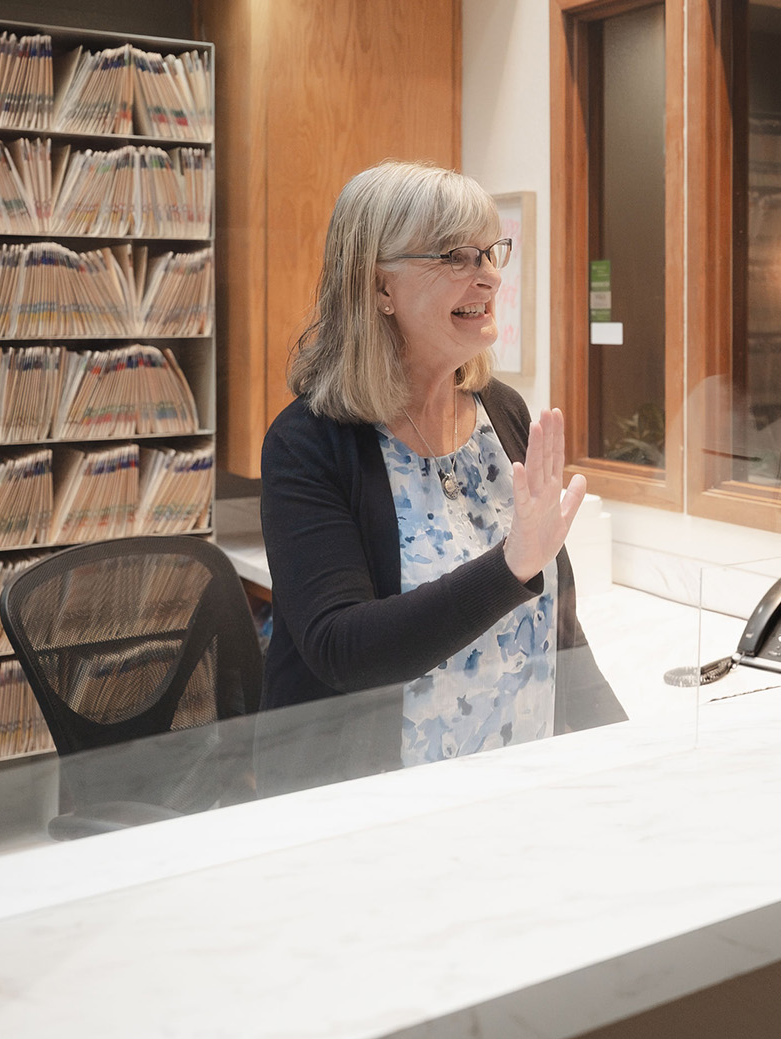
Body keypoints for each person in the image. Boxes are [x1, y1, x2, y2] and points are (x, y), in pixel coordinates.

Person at [260, 161, 624, 761]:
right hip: (375, 815)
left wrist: (630, 756)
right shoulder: (309, 443)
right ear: (378, 287)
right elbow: (342, 649)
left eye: (489, 253)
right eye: (455, 257)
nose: (487, 278)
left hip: (513, 788)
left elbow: (558, 632)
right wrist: (510, 569)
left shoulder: (502, 413)